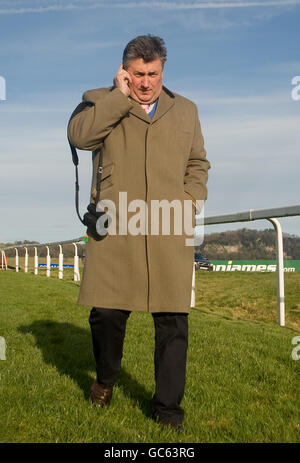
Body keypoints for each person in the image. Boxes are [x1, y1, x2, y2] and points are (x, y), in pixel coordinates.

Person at [68, 35, 210, 431]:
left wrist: (189, 201)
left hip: (169, 225)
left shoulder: (187, 111)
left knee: (172, 320)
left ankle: (167, 410)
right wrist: (118, 96)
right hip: (116, 224)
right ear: (124, 71)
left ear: (163, 70)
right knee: (108, 313)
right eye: (138, 74)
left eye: (153, 74)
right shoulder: (100, 98)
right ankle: (106, 379)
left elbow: (198, 163)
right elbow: (80, 138)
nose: (146, 82)